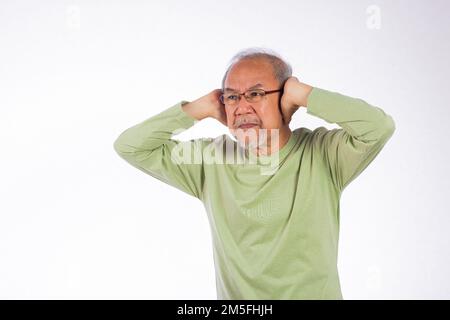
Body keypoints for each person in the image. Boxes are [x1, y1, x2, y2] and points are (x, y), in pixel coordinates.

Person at [113, 47, 396, 299]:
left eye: (256, 94)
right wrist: (198, 109)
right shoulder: (210, 161)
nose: (241, 107)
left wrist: (304, 95)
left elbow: (378, 127)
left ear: (285, 97)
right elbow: (131, 147)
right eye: (232, 97)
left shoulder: (323, 153)